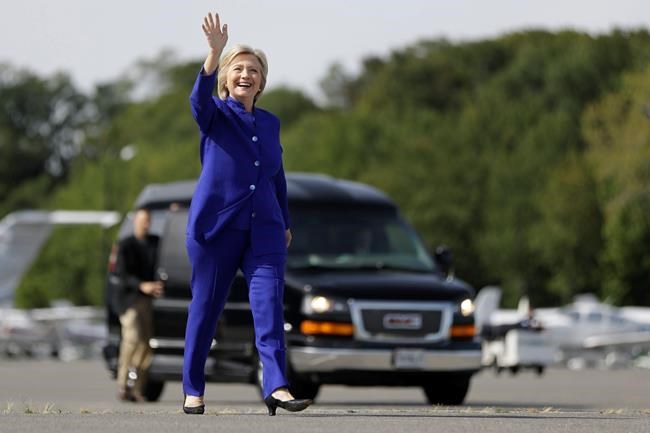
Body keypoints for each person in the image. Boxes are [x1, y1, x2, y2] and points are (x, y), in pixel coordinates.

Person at [182, 11, 312, 416]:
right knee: (205, 310)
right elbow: (197, 100)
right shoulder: (215, 115)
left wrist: (286, 222)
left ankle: (277, 387)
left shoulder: (270, 123)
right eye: (237, 68)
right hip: (217, 229)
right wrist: (214, 53)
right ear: (225, 77)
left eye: (253, 70)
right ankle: (193, 388)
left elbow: (277, 176)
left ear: (262, 80)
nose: (245, 75)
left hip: (266, 231)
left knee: (270, 308)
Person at [111, 208, 164, 402]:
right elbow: (121, 275)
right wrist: (143, 285)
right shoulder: (126, 245)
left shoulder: (155, 243)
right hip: (129, 300)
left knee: (146, 347)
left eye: (148, 221)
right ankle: (122, 383)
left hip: (146, 302)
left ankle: (137, 388)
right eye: (143, 221)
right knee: (132, 339)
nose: (146, 225)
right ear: (135, 222)